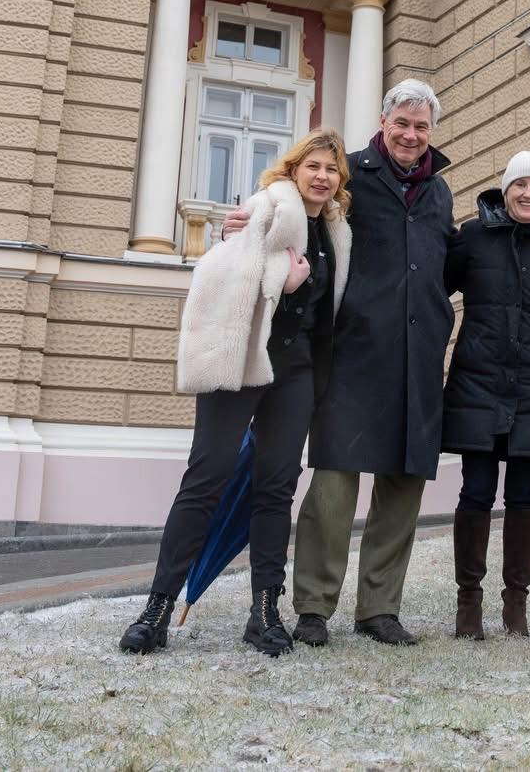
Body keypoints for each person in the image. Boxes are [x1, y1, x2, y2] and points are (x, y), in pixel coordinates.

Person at [222, 80, 456, 647]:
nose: (410, 134)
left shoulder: (441, 191)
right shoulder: (349, 174)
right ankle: (313, 607)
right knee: (333, 485)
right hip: (351, 351)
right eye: (402, 122)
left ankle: (379, 608)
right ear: (384, 121)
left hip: (418, 355)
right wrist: (247, 222)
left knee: (402, 486)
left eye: (421, 126)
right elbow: (293, 199)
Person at [119, 129, 350, 658]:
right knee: (206, 478)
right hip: (242, 360)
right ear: (293, 170)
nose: (321, 176)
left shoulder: (337, 232)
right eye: (312, 166)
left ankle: (265, 610)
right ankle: (156, 608)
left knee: (276, 488)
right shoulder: (265, 208)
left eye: (331, 170)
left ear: (340, 183)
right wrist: (280, 278)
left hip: (295, 373)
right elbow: (218, 273)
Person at [443, 151, 530, 639]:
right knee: (475, 491)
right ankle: (468, 605)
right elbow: (434, 286)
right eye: (520, 185)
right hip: (478, 382)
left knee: (524, 496)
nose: (528, 194)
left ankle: (515, 605)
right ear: (505, 190)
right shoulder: (474, 238)